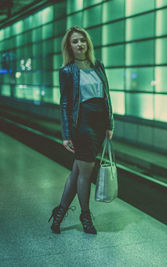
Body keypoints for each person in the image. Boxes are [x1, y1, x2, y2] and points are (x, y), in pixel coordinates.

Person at [48, 26, 114, 234]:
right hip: (82, 124)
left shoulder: (98, 66)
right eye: (75, 41)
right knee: (86, 173)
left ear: (88, 43)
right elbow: (66, 103)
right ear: (69, 46)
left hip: (99, 123)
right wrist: (66, 134)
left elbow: (107, 97)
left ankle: (59, 214)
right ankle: (85, 216)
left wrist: (110, 123)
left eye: (82, 40)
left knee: (77, 171)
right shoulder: (67, 71)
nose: (80, 44)